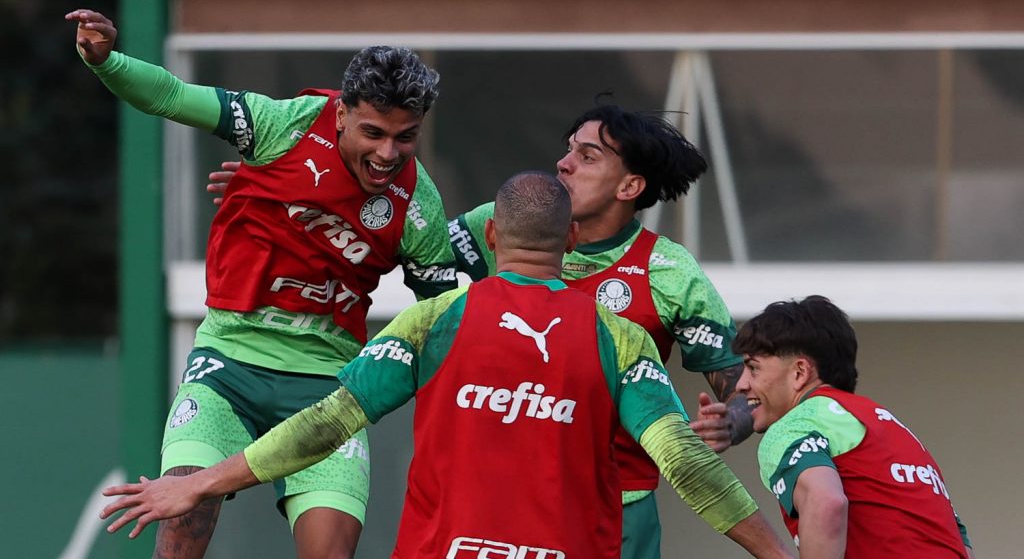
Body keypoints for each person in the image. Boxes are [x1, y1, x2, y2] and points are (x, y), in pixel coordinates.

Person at [100, 172, 794, 559]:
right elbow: (686, 463)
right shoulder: (619, 339)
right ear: (573, 238)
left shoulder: (434, 322)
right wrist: (777, 555)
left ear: (491, 237)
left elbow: (327, 422)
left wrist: (204, 482)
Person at [209, 104, 753, 557]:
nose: (563, 164)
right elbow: (401, 243)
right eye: (566, 150)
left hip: (618, 505)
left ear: (631, 185)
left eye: (587, 157)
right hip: (496, 507)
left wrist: (732, 420)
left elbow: (743, 389)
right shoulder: (503, 220)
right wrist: (286, 198)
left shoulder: (670, 273)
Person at [67, 8, 457, 559]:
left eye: (405, 137)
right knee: (179, 534)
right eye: (373, 132)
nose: (387, 154)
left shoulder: (420, 206)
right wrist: (106, 61)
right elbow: (176, 97)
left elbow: (449, 318)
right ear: (341, 114)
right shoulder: (288, 124)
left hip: (327, 386)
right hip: (228, 364)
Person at [730, 295, 974, 558]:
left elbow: (826, 502)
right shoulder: (895, 432)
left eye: (753, 368)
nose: (741, 384)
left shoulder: (796, 424)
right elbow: (962, 544)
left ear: (799, 372)